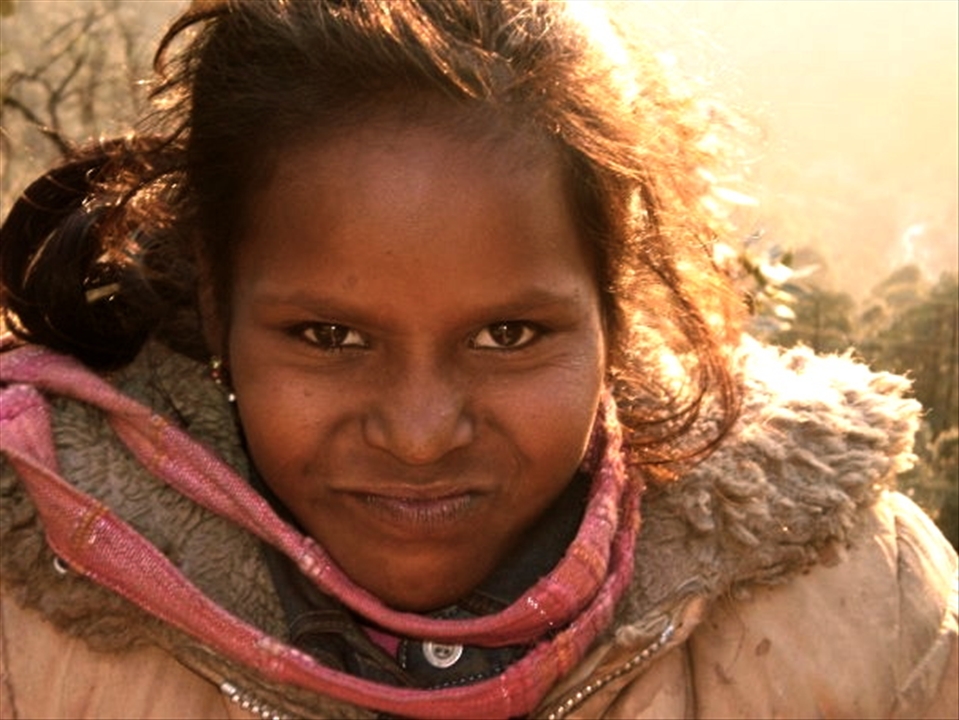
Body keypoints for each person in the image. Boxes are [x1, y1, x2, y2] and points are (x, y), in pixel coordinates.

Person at [0, 1, 955, 718]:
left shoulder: (862, 599)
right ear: (217, 300)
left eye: (506, 336)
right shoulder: (30, 616)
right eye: (329, 337)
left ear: (612, 309)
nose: (419, 436)